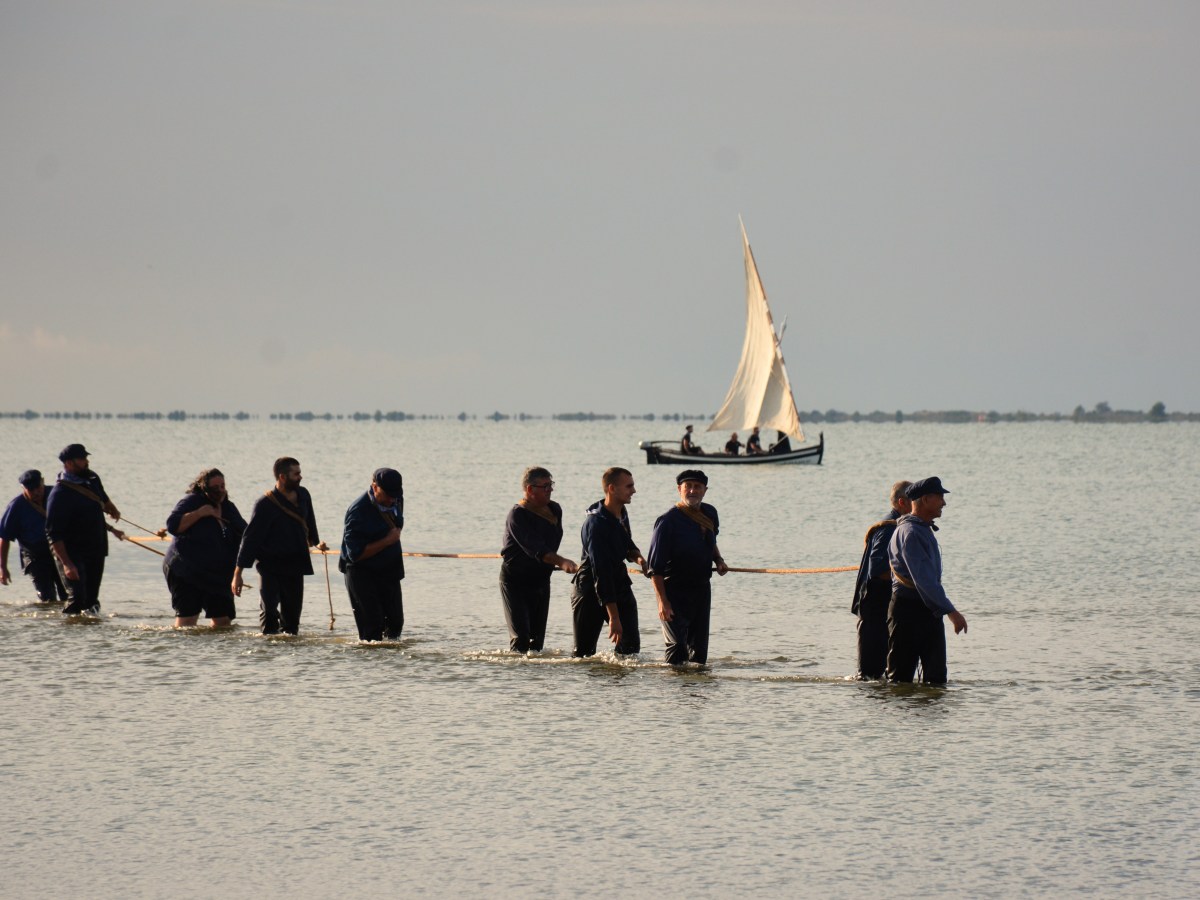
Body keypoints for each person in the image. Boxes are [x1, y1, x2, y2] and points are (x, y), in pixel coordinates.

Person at [886, 476, 968, 684]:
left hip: (927, 611)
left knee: (936, 680)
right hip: (908, 612)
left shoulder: (920, 529)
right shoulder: (911, 532)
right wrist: (951, 611)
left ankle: (930, 716)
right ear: (925, 499)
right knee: (900, 681)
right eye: (940, 497)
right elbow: (924, 580)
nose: (944, 503)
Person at [233, 457, 325, 635]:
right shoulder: (265, 504)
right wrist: (238, 574)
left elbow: (309, 520)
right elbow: (250, 539)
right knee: (269, 613)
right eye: (296, 474)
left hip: (296, 564)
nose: (300, 477)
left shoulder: (304, 495)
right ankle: (268, 655)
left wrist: (314, 540)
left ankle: (290, 659)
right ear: (282, 477)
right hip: (270, 566)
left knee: (291, 622)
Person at [647, 469, 728, 665]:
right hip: (673, 591)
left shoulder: (710, 513)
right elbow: (655, 569)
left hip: (701, 589)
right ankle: (674, 692)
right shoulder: (667, 522)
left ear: (705, 490)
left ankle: (695, 692)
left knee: (699, 653)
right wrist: (662, 602)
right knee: (677, 648)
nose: (692, 491)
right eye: (688, 486)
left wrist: (718, 560)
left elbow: (711, 541)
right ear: (679, 489)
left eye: (697, 487)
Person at [499, 467, 578, 653]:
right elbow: (537, 548)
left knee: (536, 644)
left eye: (551, 485)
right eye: (545, 486)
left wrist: (560, 561)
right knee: (522, 639)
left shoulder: (555, 509)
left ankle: (535, 680)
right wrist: (561, 561)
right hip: (515, 582)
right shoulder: (517, 515)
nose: (550, 490)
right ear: (529, 490)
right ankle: (516, 679)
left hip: (541, 580)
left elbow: (551, 543)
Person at [570, 467, 646, 657]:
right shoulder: (595, 525)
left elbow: (627, 544)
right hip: (590, 588)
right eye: (629, 486)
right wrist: (613, 617)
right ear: (612, 489)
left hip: (619, 581)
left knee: (630, 648)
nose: (634, 491)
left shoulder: (621, 511)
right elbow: (601, 572)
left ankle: (618, 685)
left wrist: (639, 559)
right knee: (584, 654)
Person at [45, 444, 125, 616]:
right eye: (81, 459)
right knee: (77, 598)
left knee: (91, 600)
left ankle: (90, 637)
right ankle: (67, 636)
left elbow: (102, 497)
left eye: (86, 458)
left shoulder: (92, 478)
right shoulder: (60, 495)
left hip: (96, 549)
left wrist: (111, 507)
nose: (86, 462)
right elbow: (53, 533)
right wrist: (67, 564)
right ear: (69, 463)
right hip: (72, 552)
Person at [163, 468, 247, 628]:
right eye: (216, 487)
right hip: (185, 571)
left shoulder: (228, 507)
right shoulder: (191, 501)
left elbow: (246, 533)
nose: (220, 490)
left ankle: (215, 653)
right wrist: (199, 514)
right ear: (204, 487)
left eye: (223, 486)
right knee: (187, 621)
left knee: (223, 622)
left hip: (218, 575)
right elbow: (173, 525)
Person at [850, 480, 912, 679]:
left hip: (881, 605)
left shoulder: (899, 525)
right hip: (874, 606)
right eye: (915, 500)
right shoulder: (889, 528)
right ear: (902, 503)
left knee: (881, 673)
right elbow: (878, 569)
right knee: (869, 675)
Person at [339, 468, 406, 642]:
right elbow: (355, 555)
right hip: (361, 572)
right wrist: (387, 541)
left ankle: (392, 666)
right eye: (387, 494)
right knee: (373, 629)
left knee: (396, 624)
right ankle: (371, 667)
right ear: (374, 487)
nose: (392, 499)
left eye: (395, 494)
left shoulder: (397, 499)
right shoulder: (358, 512)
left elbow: (397, 523)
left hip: (389, 569)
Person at [0, 469, 67, 603]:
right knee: (47, 598)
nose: (36, 492)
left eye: (38, 487)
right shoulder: (16, 507)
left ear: (42, 482)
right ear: (23, 488)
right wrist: (3, 567)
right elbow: (4, 538)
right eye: (31, 489)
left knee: (69, 594)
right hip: (35, 557)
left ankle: (69, 622)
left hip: (60, 552)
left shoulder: (56, 495)